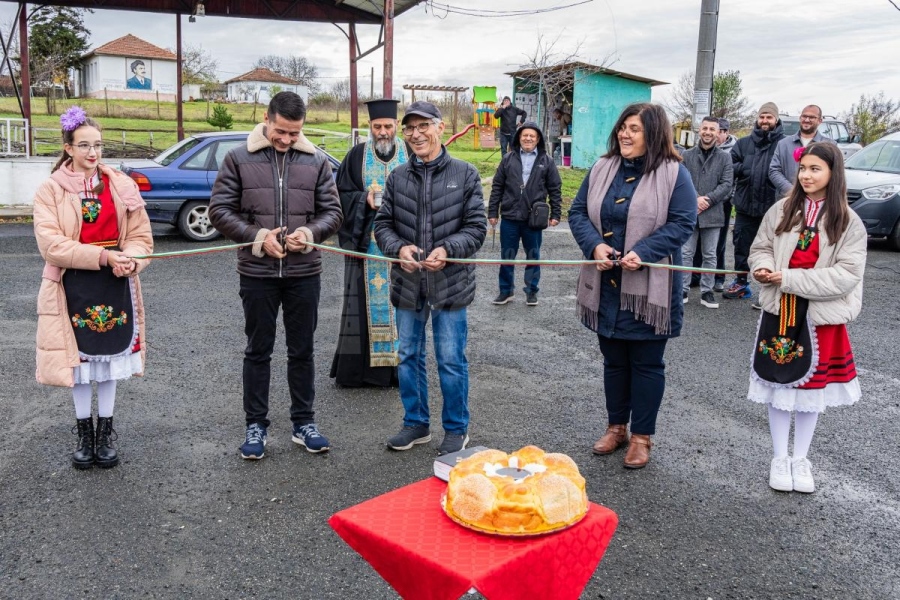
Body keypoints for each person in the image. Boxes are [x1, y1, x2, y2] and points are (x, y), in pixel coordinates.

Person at [209, 91, 343, 460]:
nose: (286, 140)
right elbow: (219, 210)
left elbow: (333, 212)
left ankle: (304, 422)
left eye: (294, 133)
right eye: (281, 131)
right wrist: (258, 238)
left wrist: (311, 234)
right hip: (257, 272)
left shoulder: (316, 161)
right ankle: (256, 425)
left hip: (304, 272)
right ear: (266, 118)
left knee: (303, 350)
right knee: (258, 350)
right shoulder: (237, 158)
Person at [569, 102, 696, 469]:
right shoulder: (602, 167)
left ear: (654, 133)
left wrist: (643, 251)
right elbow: (577, 213)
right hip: (605, 281)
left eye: (635, 129)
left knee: (646, 363)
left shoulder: (674, 174)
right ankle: (616, 427)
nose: (625, 133)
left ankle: (641, 437)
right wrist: (594, 245)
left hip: (648, 289)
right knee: (613, 361)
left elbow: (683, 222)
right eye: (623, 127)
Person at [33, 106, 153, 469]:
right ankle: (84, 433)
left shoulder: (121, 185)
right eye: (84, 145)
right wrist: (102, 258)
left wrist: (132, 258)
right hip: (73, 284)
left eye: (98, 145)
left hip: (115, 283)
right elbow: (50, 244)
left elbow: (140, 236)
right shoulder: (50, 190)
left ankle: (106, 434)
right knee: (81, 362)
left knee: (111, 360)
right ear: (67, 147)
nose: (93, 153)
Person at [747, 142, 866, 493]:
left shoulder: (848, 221)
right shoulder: (782, 209)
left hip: (820, 317)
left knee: (811, 391)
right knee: (780, 383)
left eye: (816, 168)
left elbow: (846, 274)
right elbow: (761, 247)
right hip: (780, 311)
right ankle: (779, 457)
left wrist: (789, 278)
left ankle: (801, 458)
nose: (807, 175)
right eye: (804, 168)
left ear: (833, 173)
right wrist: (764, 266)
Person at [373, 101, 487, 456]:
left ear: (440, 128)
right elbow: (383, 226)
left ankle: (456, 429)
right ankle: (415, 423)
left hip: (450, 283)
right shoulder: (397, 177)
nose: (416, 134)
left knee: (451, 358)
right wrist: (398, 250)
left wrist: (448, 249)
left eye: (423, 126)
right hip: (408, 283)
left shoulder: (465, 174)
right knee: (408, 355)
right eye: (409, 128)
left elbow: (476, 228)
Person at [330, 98, 407, 387]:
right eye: (378, 126)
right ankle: (359, 372)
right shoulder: (356, 156)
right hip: (365, 245)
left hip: (403, 247)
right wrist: (365, 200)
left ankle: (401, 371)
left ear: (396, 125)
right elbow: (340, 196)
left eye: (388, 126)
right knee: (359, 307)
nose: (383, 131)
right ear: (369, 126)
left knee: (406, 306)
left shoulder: (410, 153)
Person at [488, 121, 562, 306]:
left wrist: (556, 214)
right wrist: (492, 211)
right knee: (507, 255)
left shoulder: (547, 161)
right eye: (525, 135)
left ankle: (531, 291)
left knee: (533, 256)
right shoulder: (508, 159)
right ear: (519, 138)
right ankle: (506, 291)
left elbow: (555, 189)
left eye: (532, 136)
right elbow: (497, 186)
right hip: (510, 217)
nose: (528, 138)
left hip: (533, 219)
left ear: (538, 139)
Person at [723, 102, 784, 306]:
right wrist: (748, 168)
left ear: (776, 119)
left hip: (773, 207)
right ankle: (741, 282)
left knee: (774, 248)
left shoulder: (783, 144)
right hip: (745, 204)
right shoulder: (743, 143)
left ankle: (770, 289)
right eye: (762, 116)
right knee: (741, 245)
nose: (765, 120)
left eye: (769, 117)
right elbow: (730, 166)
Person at [680, 116, 733, 309]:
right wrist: (695, 199)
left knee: (710, 255)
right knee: (686, 253)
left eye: (712, 129)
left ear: (718, 132)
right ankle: (683, 289)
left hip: (713, 212)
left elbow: (727, 184)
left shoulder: (725, 157)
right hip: (689, 212)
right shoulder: (686, 155)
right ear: (699, 130)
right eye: (705, 128)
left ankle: (707, 291)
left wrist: (708, 200)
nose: (708, 132)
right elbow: (681, 179)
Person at [769, 105, 836, 198]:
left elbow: (835, 173)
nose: (807, 120)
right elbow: (774, 171)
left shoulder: (829, 146)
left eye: (812, 117)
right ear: (800, 118)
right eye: (804, 116)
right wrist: (792, 192)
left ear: (820, 121)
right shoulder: (783, 144)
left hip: (818, 201)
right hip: (787, 200)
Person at [713, 117, 738, 292]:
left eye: (720, 131)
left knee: (719, 242)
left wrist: (724, 197)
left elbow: (731, 181)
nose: (715, 135)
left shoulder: (734, 150)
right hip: (704, 202)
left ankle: (718, 277)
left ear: (725, 133)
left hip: (723, 201)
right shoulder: (703, 148)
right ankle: (698, 275)